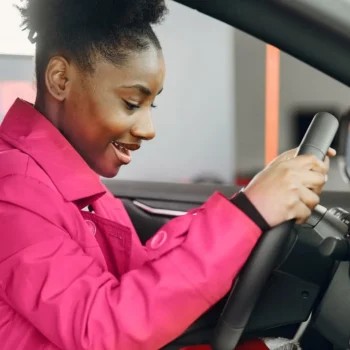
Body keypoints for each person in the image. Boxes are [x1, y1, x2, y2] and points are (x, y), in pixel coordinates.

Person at [0, 0, 334, 349]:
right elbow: (104, 330)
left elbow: (145, 279)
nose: (148, 129)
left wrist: (251, 208)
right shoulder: (12, 190)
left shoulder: (78, 192)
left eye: (151, 105)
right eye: (132, 103)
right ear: (61, 79)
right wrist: (250, 212)